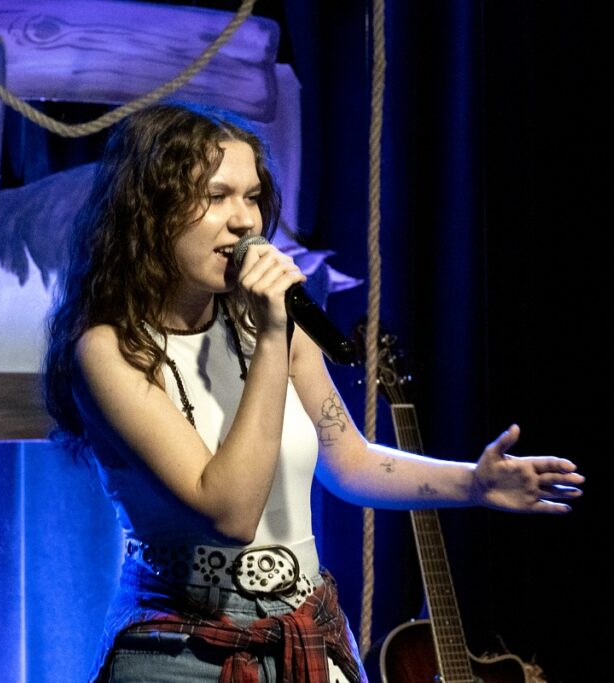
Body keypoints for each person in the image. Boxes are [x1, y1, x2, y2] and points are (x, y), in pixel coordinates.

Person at [43, 102, 584, 683]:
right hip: (181, 647)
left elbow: (349, 460)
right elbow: (230, 512)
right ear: (150, 212)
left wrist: (473, 483)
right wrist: (273, 336)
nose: (244, 221)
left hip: (305, 628)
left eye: (252, 197)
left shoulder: (268, 325)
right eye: (216, 196)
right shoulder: (108, 350)